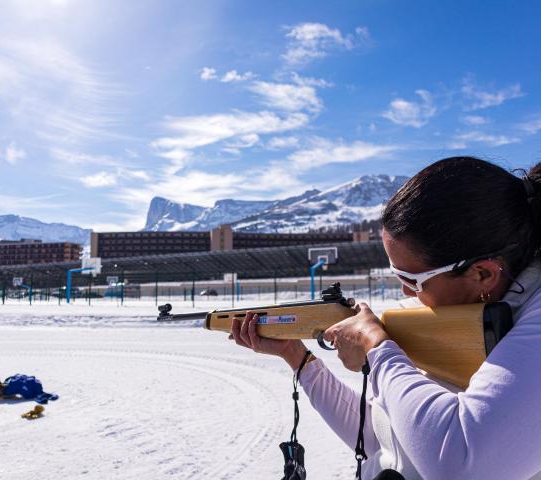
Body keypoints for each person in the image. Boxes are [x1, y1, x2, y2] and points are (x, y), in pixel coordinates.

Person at [230, 156, 541, 479]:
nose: (406, 293)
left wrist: (378, 351)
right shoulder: (468, 315)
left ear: (482, 274)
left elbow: (463, 466)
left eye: (412, 280)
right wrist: (298, 358)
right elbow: (387, 439)